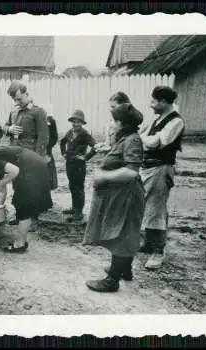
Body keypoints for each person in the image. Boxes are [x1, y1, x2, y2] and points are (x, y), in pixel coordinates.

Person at [83, 103, 145, 293]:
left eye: (113, 120)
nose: (111, 123)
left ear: (121, 122)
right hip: (121, 195)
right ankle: (124, 269)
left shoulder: (132, 140)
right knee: (122, 231)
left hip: (127, 196)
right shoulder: (126, 138)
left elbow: (131, 171)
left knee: (120, 233)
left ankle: (112, 280)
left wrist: (104, 176)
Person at [0, 146, 53, 253]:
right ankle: (22, 240)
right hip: (31, 164)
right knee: (22, 202)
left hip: (31, 166)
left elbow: (15, 171)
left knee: (23, 205)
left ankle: (20, 245)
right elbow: (3, 193)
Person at [139, 86, 185, 270]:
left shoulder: (176, 122)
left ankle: (158, 252)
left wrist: (141, 139)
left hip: (161, 168)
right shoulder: (158, 119)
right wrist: (143, 138)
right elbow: (145, 135)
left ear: (164, 102)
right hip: (149, 167)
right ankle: (149, 244)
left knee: (156, 209)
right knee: (147, 207)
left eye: (154, 102)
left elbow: (156, 142)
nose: (152, 105)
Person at [3, 81, 50, 228]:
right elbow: (4, 126)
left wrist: (37, 159)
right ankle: (20, 215)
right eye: (14, 100)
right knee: (18, 186)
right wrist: (9, 129)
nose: (17, 102)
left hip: (31, 156)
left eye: (19, 99)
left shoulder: (38, 112)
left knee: (32, 188)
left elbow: (43, 138)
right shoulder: (14, 111)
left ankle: (33, 219)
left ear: (26, 94)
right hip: (16, 156)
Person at [60, 110, 97, 222]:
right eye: (73, 121)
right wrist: (63, 153)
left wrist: (85, 157)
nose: (75, 124)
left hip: (79, 165)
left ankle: (79, 213)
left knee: (78, 187)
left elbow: (95, 146)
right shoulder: (70, 132)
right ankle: (74, 208)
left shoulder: (85, 134)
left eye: (78, 122)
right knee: (72, 185)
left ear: (82, 123)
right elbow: (62, 142)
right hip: (69, 163)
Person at [45, 103, 59, 191]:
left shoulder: (52, 121)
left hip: (47, 150)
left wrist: (48, 147)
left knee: (49, 172)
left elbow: (54, 137)